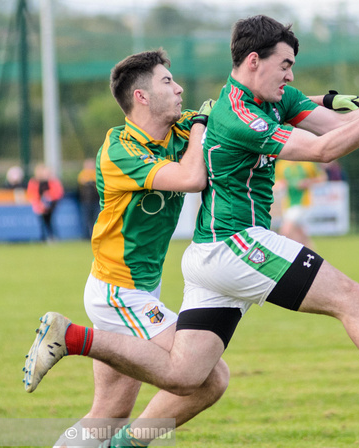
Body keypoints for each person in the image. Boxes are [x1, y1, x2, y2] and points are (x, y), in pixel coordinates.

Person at [24, 16, 359, 442]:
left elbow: (337, 126)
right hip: (222, 249)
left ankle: (116, 435)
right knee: (350, 298)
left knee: (188, 383)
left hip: (205, 259)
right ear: (254, 61)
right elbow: (321, 150)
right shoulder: (215, 122)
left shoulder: (251, 105)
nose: (290, 74)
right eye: (284, 64)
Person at [45, 49, 230, 448]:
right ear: (141, 97)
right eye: (167, 81)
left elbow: (250, 114)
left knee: (106, 417)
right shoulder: (118, 149)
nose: (179, 87)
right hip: (118, 293)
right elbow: (192, 177)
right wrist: (200, 127)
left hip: (135, 290)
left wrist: (333, 106)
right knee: (209, 378)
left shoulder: (180, 130)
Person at [275, 159, 327, 249]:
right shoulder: (280, 165)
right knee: (301, 235)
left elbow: (322, 178)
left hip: (303, 203)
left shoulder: (308, 164)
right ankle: (312, 256)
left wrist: (308, 182)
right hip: (288, 203)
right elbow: (275, 182)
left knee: (286, 230)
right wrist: (280, 185)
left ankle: (291, 255)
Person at [26, 163, 64, 242]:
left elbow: (58, 192)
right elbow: (31, 193)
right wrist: (38, 202)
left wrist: (49, 197)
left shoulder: (52, 181)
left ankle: (52, 237)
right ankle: (43, 238)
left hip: (51, 205)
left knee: (49, 220)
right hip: (39, 205)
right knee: (41, 221)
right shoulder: (34, 182)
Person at [77, 158, 100, 239]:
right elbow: (82, 182)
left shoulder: (96, 173)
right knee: (86, 220)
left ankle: (95, 235)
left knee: (96, 219)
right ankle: (86, 236)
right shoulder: (82, 174)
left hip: (96, 201)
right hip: (86, 201)